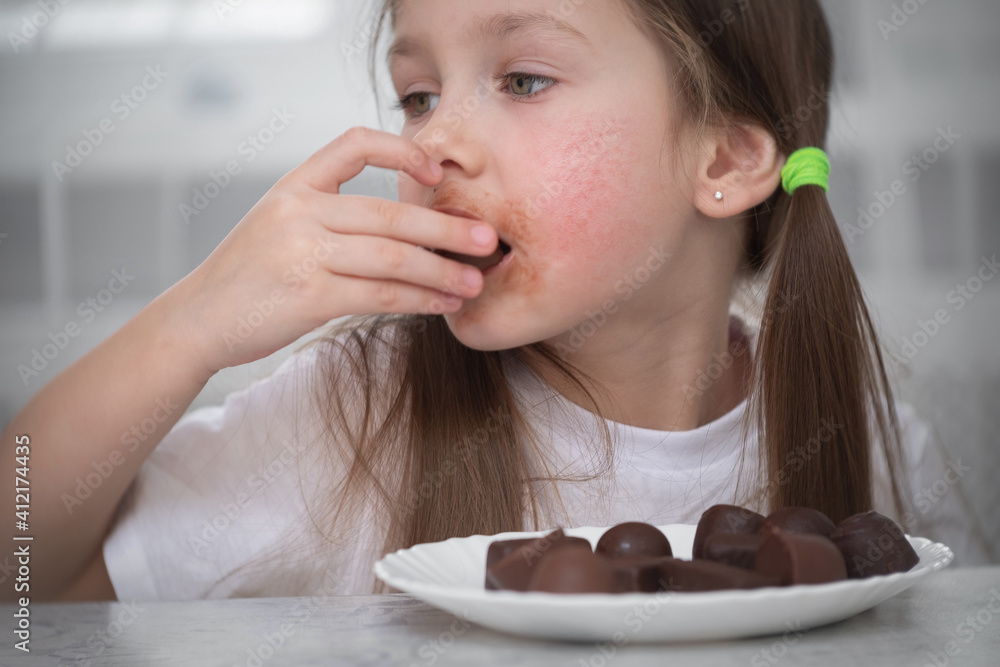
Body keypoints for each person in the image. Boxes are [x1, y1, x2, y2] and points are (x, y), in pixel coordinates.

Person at [2, 0, 989, 603]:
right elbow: (22, 576)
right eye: (419, 93)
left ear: (726, 157)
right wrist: (192, 325)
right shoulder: (356, 414)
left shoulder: (867, 442)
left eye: (521, 78)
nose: (432, 147)